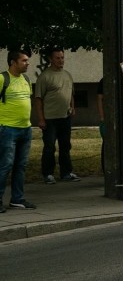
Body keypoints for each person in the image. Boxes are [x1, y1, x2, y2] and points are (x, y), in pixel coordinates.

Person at [34, 47, 80, 184]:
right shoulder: (45, 76)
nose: (61, 60)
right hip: (50, 119)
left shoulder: (67, 74)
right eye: (57, 58)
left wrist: (73, 107)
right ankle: (48, 173)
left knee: (65, 146)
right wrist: (41, 119)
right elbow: (38, 99)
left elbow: (71, 93)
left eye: (62, 58)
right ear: (51, 59)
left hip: (65, 117)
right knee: (49, 147)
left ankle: (66, 172)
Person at [0, 50, 36, 212]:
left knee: (21, 165)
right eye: (24, 61)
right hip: (7, 129)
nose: (27, 63)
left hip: (25, 129)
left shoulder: (26, 79)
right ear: (13, 62)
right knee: (5, 165)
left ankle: (17, 199)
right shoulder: (2, 79)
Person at [97, 78, 123, 185]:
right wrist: (102, 117)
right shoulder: (109, 78)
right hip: (118, 117)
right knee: (114, 145)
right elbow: (102, 98)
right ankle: (110, 174)